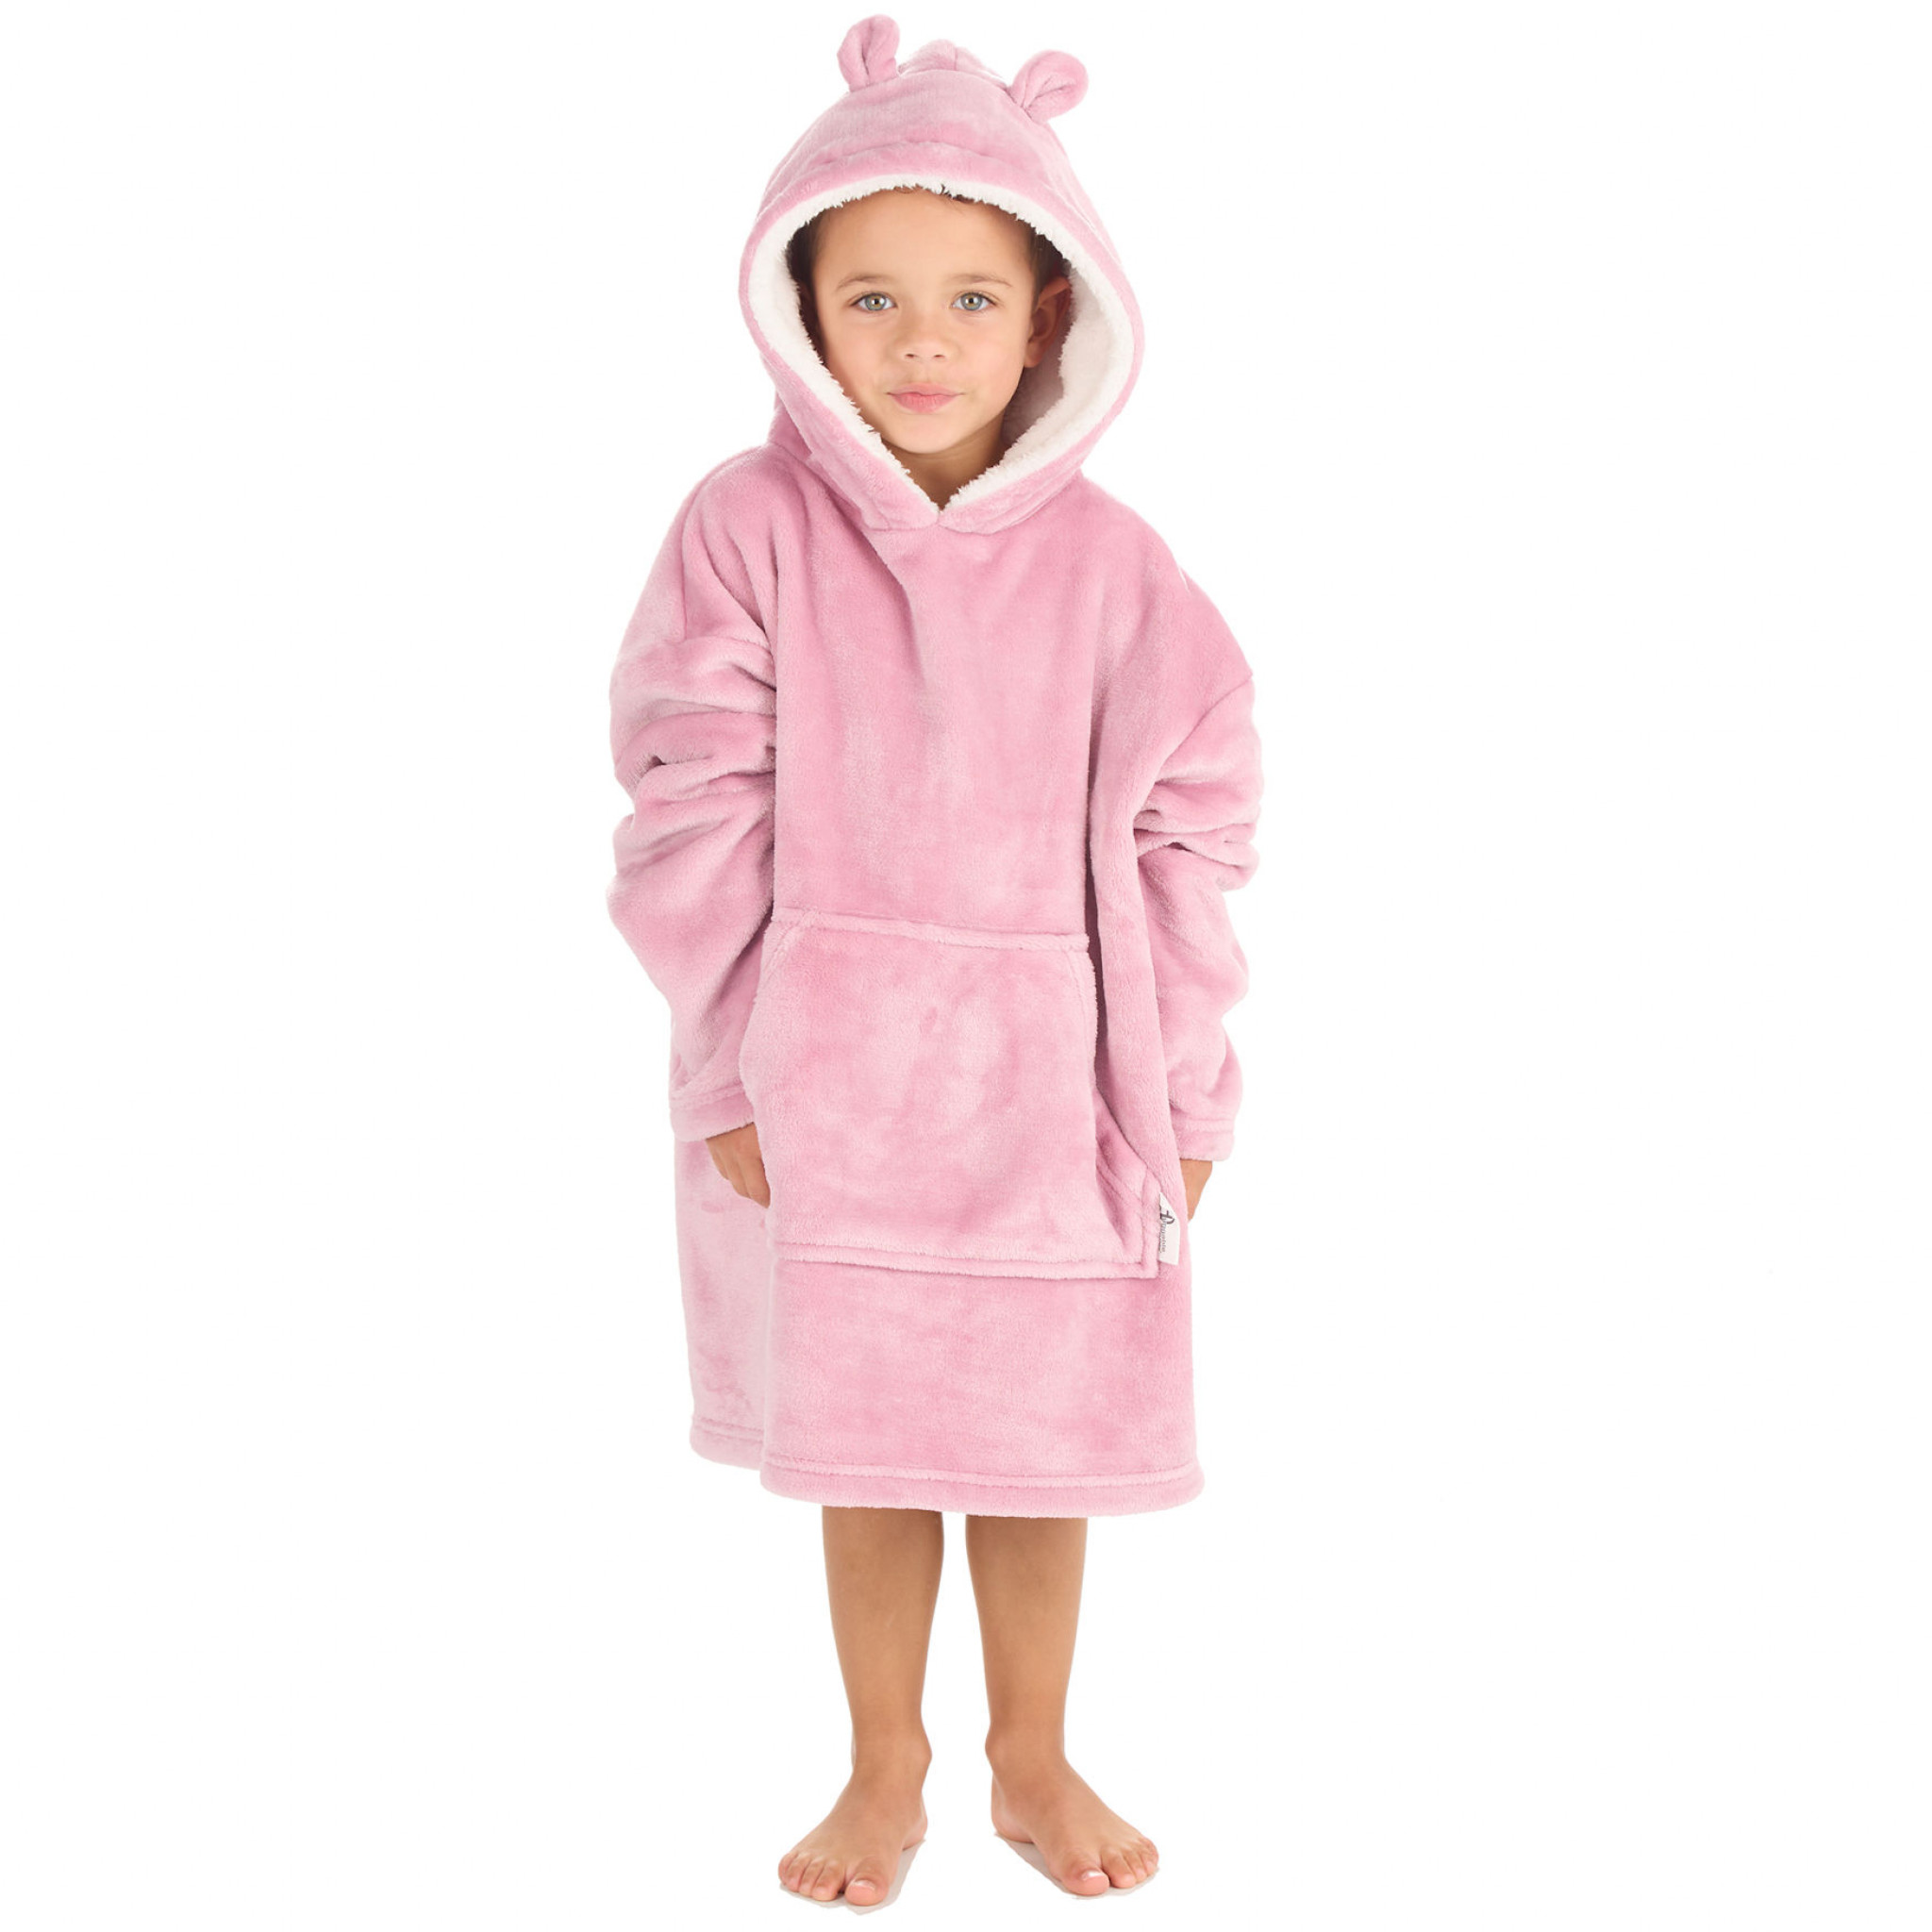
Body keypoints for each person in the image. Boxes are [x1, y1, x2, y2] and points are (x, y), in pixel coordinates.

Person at [604, 16, 1264, 1907]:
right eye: (870, 296)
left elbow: (1197, 830)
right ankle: (882, 1762)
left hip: (1063, 1082)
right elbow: (685, 801)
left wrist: (1180, 1089)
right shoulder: (747, 531)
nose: (920, 341)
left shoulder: (1122, 571)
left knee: (1046, 1438)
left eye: (970, 298)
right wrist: (732, 1061)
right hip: (825, 1077)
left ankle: (1031, 1754)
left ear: (1052, 313)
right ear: (797, 312)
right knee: (875, 1436)